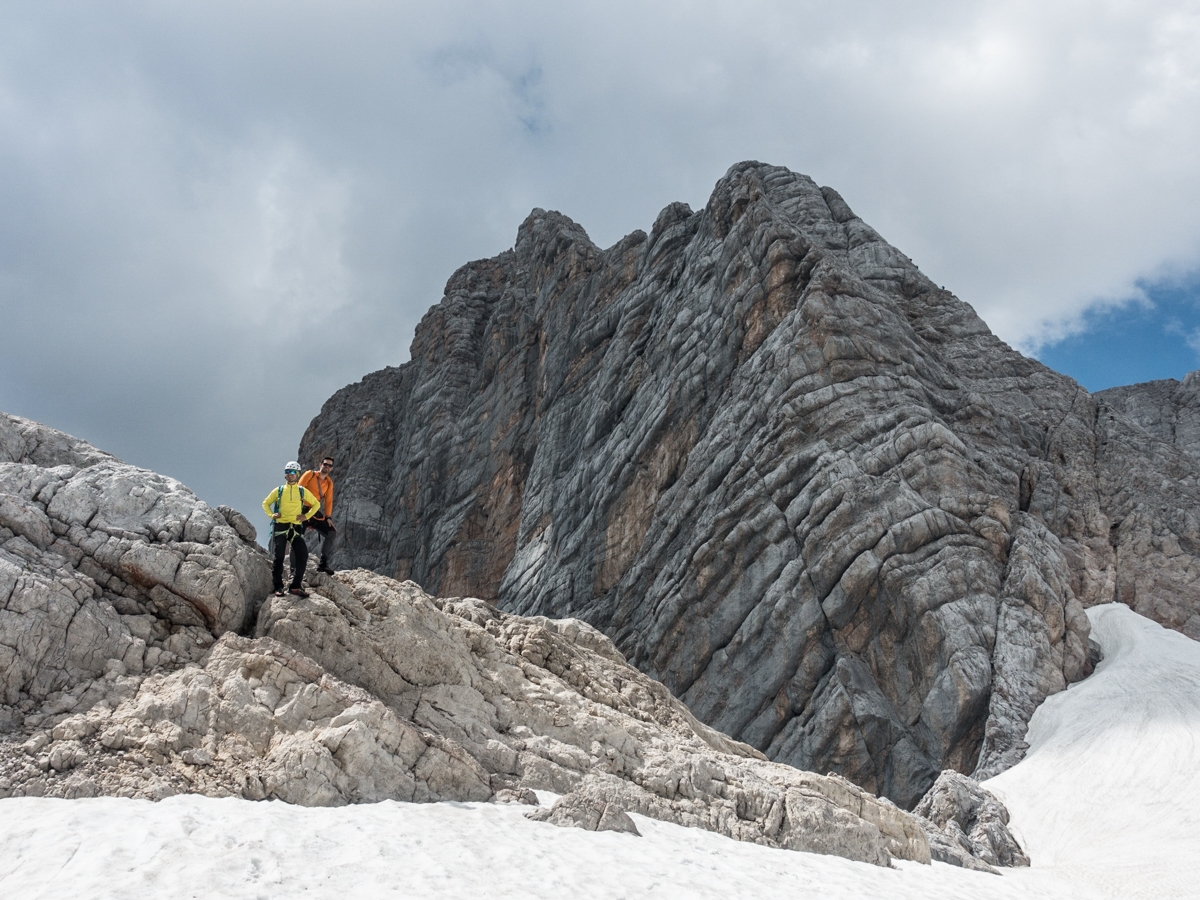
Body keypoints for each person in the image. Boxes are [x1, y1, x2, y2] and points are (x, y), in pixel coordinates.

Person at [262, 461, 320, 597]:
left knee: (303, 555)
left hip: (295, 527)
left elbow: (316, 504)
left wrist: (306, 516)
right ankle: (278, 586)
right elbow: (266, 503)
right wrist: (272, 515)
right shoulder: (279, 490)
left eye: (293, 472)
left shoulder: (302, 491)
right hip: (281, 526)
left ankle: (295, 586)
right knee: (279, 556)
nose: (290, 475)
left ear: (297, 474)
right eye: (287, 472)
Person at [299, 455, 338, 574]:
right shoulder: (309, 474)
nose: (327, 467)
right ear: (320, 465)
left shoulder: (329, 483)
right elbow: (298, 490)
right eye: (325, 464)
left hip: (315, 512)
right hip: (302, 509)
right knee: (297, 538)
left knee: (331, 532)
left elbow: (328, 501)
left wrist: (328, 517)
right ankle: (294, 570)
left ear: (331, 468)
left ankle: (323, 565)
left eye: (329, 465)